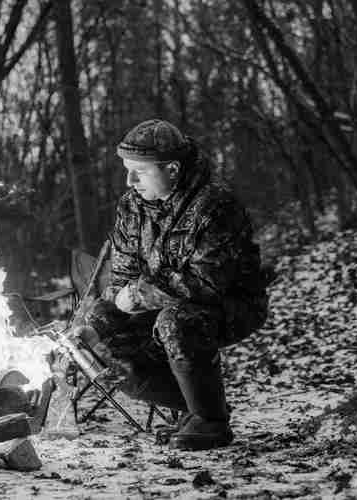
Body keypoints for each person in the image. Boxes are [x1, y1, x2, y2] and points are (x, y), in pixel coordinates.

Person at [64, 119, 269, 450]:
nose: (129, 181)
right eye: (127, 170)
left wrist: (139, 294)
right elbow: (121, 282)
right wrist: (94, 327)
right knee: (107, 343)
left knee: (175, 322)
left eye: (139, 172)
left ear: (172, 169)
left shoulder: (215, 204)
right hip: (160, 304)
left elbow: (208, 281)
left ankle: (211, 423)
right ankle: (198, 408)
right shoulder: (131, 207)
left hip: (231, 304)